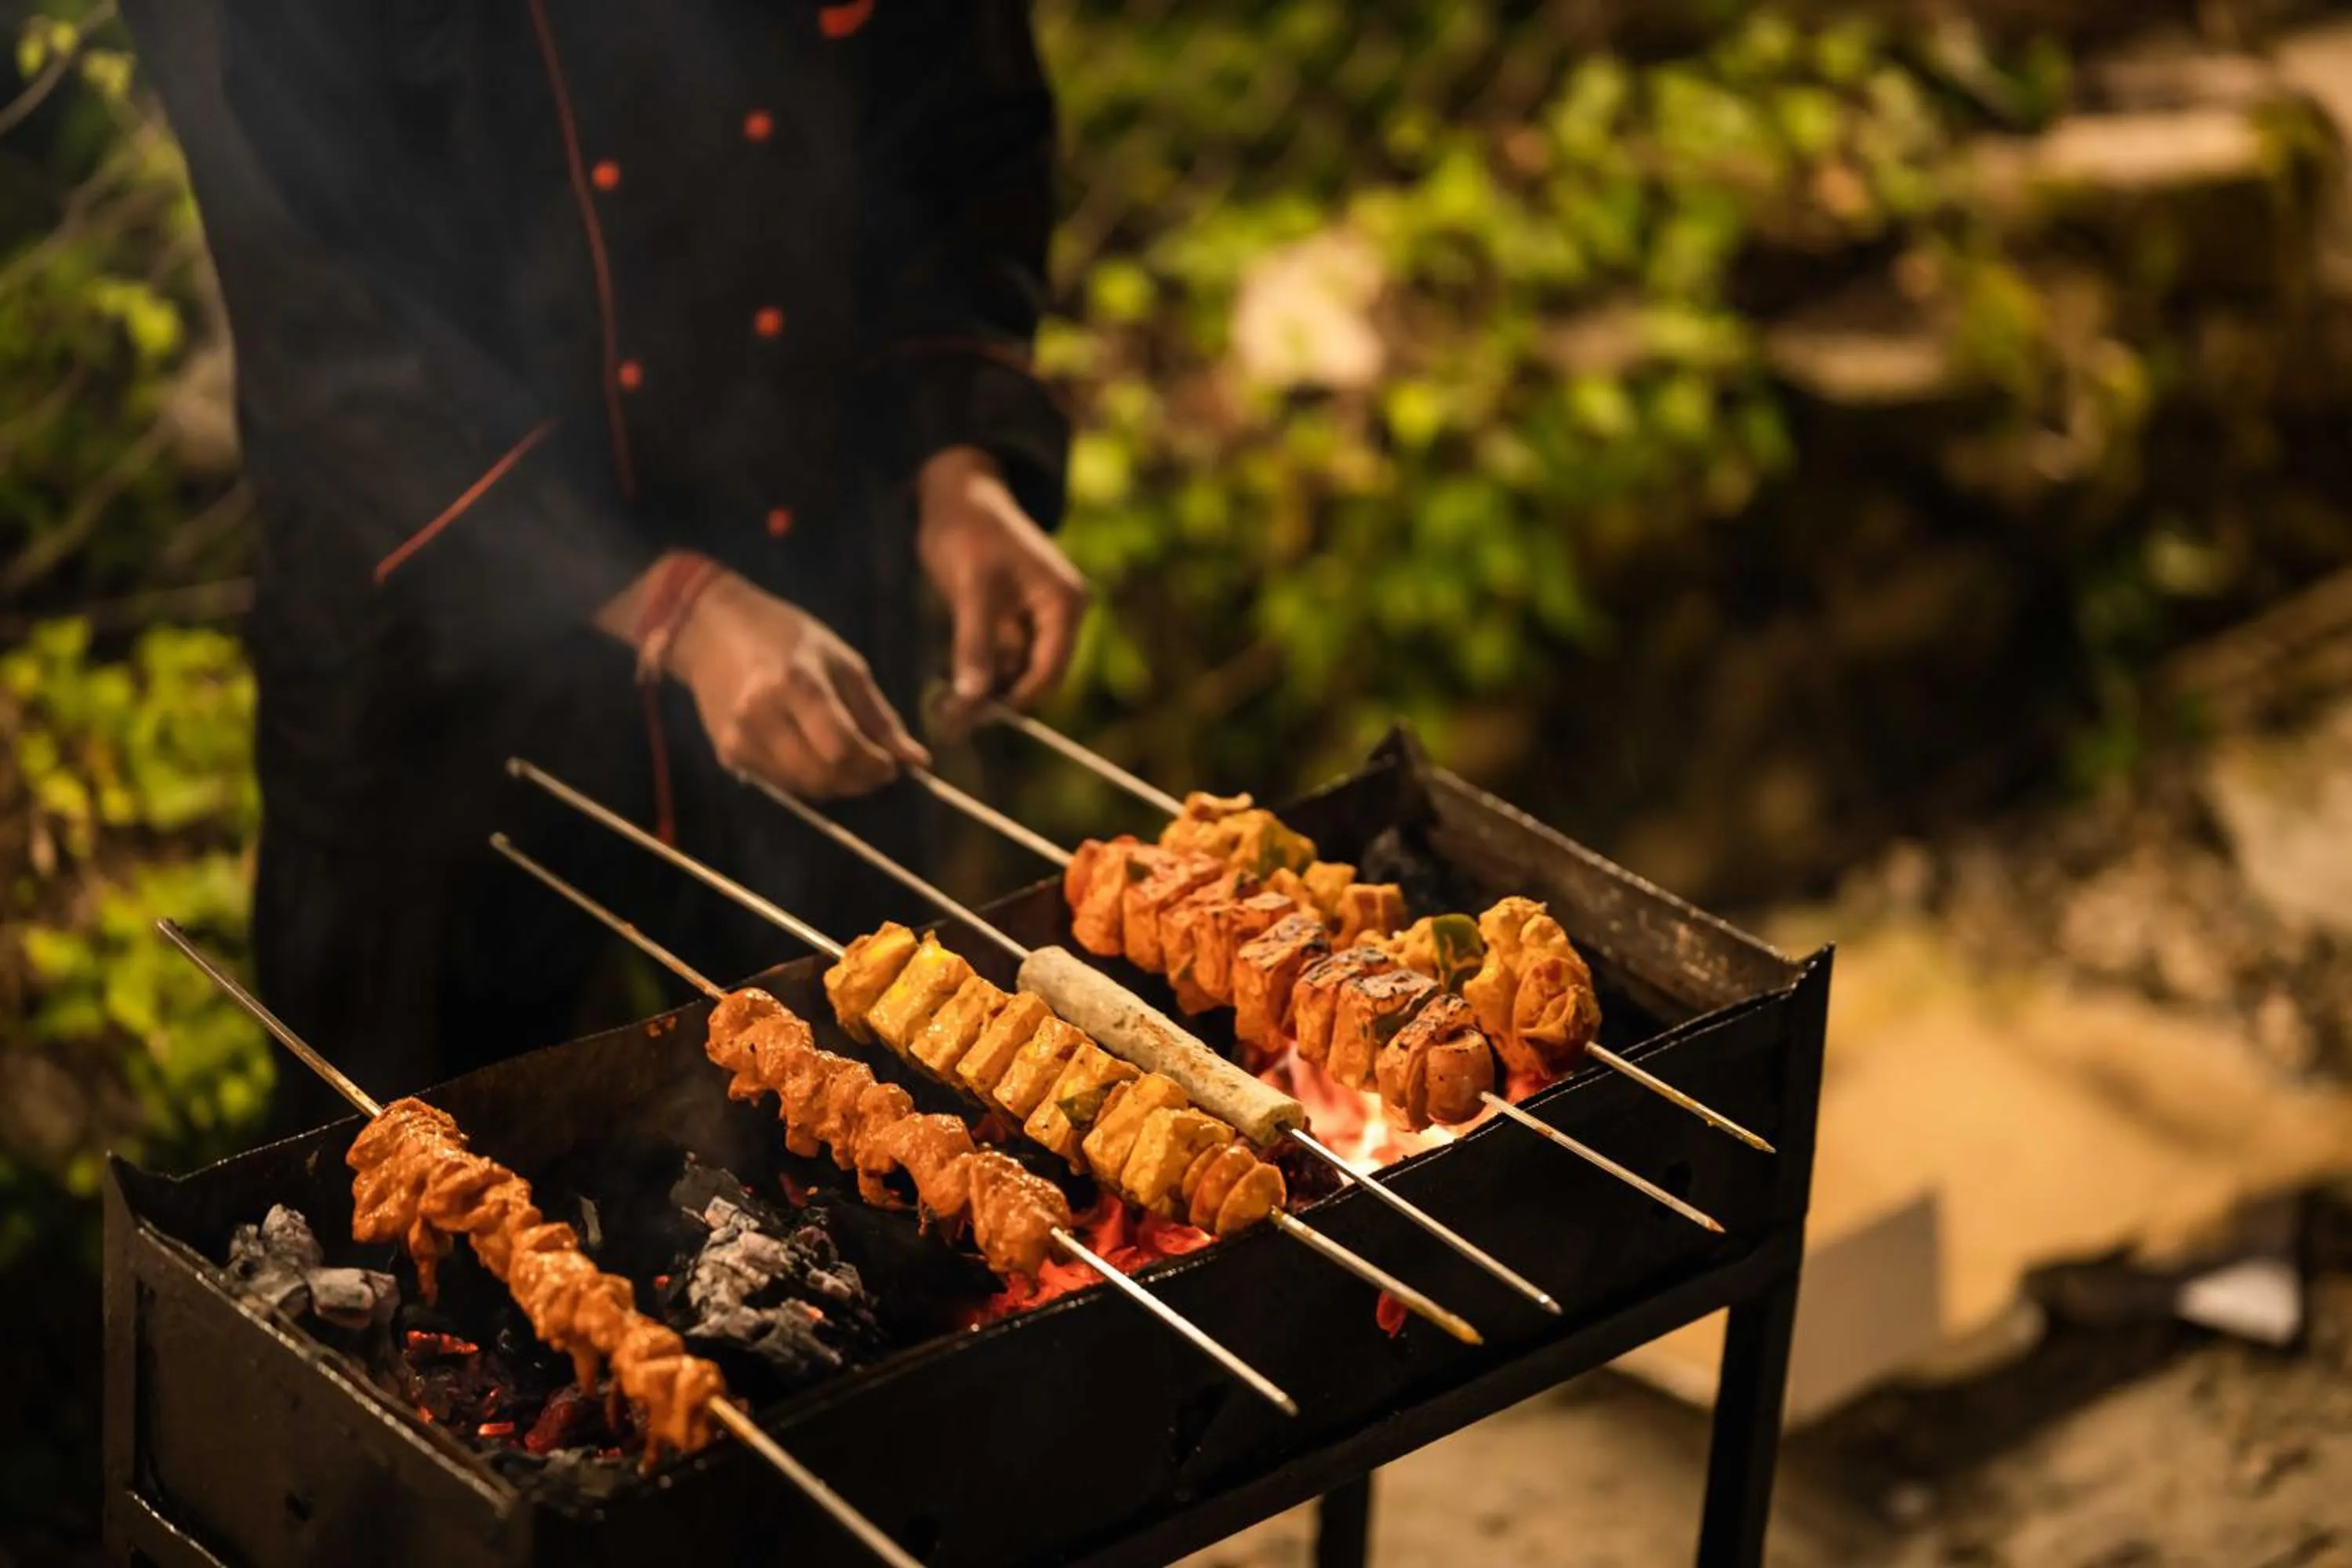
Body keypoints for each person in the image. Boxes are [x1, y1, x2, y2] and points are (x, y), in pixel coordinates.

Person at [123, 0, 1087, 1134]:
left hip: (804, 570)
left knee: (885, 1147)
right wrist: (668, 603)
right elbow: (319, 300)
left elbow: (958, 119)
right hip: (445, 656)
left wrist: (955, 451)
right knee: (421, 1198)